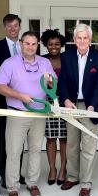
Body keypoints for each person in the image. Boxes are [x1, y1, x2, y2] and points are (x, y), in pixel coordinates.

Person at [0, 31, 56, 196]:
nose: (30, 47)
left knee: (35, 149)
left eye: (34, 44)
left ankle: (32, 183)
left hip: (39, 113)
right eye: (27, 43)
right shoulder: (10, 63)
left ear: (37, 45)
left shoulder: (44, 62)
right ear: (21, 44)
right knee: (13, 151)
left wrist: (49, 80)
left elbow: (53, 83)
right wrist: (19, 95)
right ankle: (13, 187)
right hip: (18, 112)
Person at [57, 23, 98, 196]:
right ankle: (72, 177)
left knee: (88, 147)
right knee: (71, 145)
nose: (82, 40)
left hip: (90, 106)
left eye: (86, 37)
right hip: (71, 106)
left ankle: (85, 183)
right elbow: (61, 81)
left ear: (90, 39)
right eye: (79, 37)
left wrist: (93, 105)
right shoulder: (66, 56)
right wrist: (66, 100)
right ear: (74, 39)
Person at [0, 13, 25, 188]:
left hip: (23, 103)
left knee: (19, 140)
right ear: (5, 28)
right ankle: (4, 174)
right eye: (9, 26)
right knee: (5, 140)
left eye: (15, 25)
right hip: (4, 102)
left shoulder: (26, 46)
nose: (13, 29)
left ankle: (16, 173)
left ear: (19, 27)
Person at [40, 29, 67, 185]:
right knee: (50, 137)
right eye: (50, 44)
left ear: (61, 45)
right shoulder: (41, 60)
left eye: (57, 43)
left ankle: (63, 168)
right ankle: (52, 169)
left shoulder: (67, 59)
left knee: (64, 138)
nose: (54, 46)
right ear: (46, 45)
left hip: (65, 101)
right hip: (48, 101)